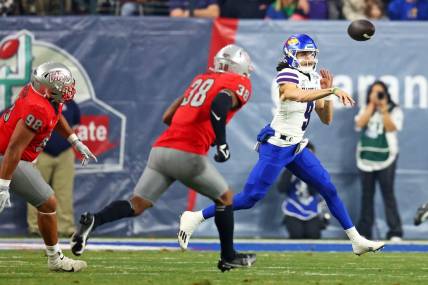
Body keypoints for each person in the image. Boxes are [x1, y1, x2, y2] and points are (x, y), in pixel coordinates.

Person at [179, 34, 385, 255]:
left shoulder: (314, 78)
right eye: (303, 53)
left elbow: (326, 119)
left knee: (329, 189)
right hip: (277, 145)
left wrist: (327, 90)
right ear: (291, 55)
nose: (307, 58)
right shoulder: (287, 73)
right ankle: (196, 217)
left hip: (296, 146)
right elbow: (292, 94)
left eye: (310, 54)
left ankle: (356, 240)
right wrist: (331, 91)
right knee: (249, 199)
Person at [70, 44, 256, 272]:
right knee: (225, 198)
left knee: (137, 204)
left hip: (161, 151)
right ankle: (228, 256)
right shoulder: (238, 83)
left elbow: (168, 116)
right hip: (188, 154)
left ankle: (95, 220)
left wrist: (202, 133)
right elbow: (218, 105)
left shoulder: (201, 80)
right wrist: (222, 141)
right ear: (240, 68)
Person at [0, 62, 97, 272]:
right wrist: (3, 185)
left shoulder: (46, 97)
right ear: (47, 88)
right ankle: (55, 259)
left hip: (11, 153)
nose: (68, 88)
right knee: (47, 201)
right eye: (64, 86)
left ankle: (54, 258)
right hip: (6, 156)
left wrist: (74, 141)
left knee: (47, 203)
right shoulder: (38, 108)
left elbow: (56, 114)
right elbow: (14, 149)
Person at [355, 80, 403, 241]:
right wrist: (371, 106)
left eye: (380, 92)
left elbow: (392, 128)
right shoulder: (366, 109)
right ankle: (364, 231)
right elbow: (360, 123)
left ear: (386, 93)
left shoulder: (394, 109)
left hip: (387, 157)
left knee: (388, 194)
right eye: (373, 92)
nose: (376, 95)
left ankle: (395, 231)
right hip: (366, 157)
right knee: (366, 195)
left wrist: (383, 109)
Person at [27, 99, 81, 237]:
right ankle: (35, 226)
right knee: (35, 190)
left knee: (64, 191)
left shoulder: (70, 104)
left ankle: (66, 226)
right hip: (40, 151)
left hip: (65, 152)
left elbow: (75, 126)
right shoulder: (36, 101)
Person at [277, 141, 330, 239]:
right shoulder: (290, 169)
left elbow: (315, 191)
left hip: (312, 209)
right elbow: (281, 189)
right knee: (296, 234)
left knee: (313, 235)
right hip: (293, 209)